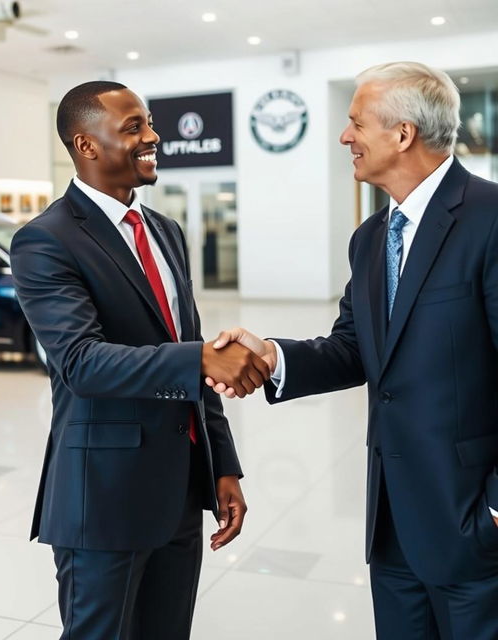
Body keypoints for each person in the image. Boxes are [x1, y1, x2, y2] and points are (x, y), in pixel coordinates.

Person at [206, 62, 498, 639]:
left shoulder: (490, 218)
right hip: (391, 524)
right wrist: (270, 356)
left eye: (355, 123)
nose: (345, 137)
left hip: (474, 527)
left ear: (403, 134)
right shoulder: (370, 238)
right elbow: (355, 349)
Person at [10, 81, 270, 640]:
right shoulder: (46, 240)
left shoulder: (166, 232)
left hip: (180, 489)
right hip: (103, 499)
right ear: (85, 144)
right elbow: (82, 363)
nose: (153, 137)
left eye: (149, 123)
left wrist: (222, 466)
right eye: (134, 127)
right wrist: (199, 358)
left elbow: (193, 349)